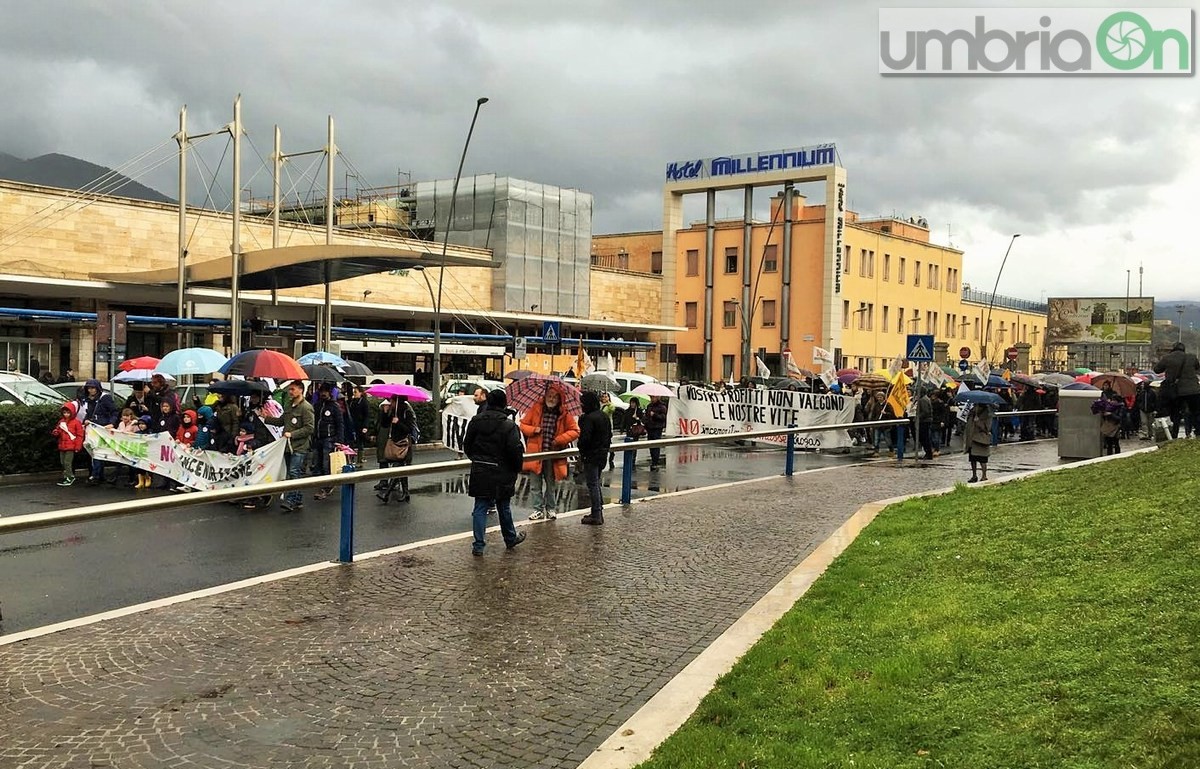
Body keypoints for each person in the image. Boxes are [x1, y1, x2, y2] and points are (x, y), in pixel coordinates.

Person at [463, 389, 527, 556]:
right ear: (503, 404)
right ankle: (510, 538)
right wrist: (516, 468)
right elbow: (514, 450)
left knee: (480, 507)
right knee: (503, 506)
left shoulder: (475, 421)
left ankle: (478, 545)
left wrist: (476, 459)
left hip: (480, 468)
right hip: (502, 470)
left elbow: (467, 445)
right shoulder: (508, 425)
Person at [519, 385, 579, 520]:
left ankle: (550, 508)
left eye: (555, 397)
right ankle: (538, 509)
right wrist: (534, 430)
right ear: (545, 396)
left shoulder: (564, 413)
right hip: (536, 454)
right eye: (549, 396)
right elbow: (523, 425)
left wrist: (559, 439)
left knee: (551, 485)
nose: (551, 399)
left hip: (552, 455)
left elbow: (575, 431)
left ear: (559, 399)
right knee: (535, 485)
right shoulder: (536, 408)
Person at [261, 380, 315, 513]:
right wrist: (267, 418)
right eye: (289, 389)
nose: (290, 392)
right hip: (287, 445)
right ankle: (298, 499)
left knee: (294, 472)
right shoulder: (289, 405)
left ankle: (291, 500)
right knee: (292, 473)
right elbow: (281, 421)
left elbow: (309, 428)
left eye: (293, 389)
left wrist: (293, 434)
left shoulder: (306, 408)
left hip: (299, 446)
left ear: (301, 390)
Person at [577, 391, 613, 525]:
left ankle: (597, 513)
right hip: (602, 454)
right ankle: (597, 510)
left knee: (592, 484)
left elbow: (584, 439)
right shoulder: (603, 416)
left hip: (591, 455)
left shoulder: (588, 418)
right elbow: (609, 435)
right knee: (596, 482)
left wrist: (582, 450)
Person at [1152, 342, 1200, 439]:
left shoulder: (1167, 358)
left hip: (1176, 391)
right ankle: (1198, 432)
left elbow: (1157, 370)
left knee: (1175, 413)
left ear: (1173, 349)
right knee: (1196, 412)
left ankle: (1173, 435)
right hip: (1193, 390)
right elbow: (1197, 368)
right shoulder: (1192, 357)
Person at [377, 395, 416, 504]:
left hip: (403, 443)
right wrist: (385, 413)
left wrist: (398, 422)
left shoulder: (406, 412)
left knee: (398, 468)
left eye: (392, 401)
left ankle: (387, 494)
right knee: (400, 469)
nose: (390, 403)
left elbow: (409, 428)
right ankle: (406, 492)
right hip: (394, 442)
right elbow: (384, 424)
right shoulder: (392, 411)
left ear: (397, 401)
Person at [78, 379, 117, 484]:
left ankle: (96, 475)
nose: (91, 390)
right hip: (93, 428)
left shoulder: (105, 398)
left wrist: (111, 423)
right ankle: (98, 474)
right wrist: (86, 420)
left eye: (93, 388)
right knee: (94, 451)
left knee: (98, 451)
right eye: (89, 388)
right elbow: (89, 413)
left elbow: (114, 412)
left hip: (102, 428)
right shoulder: (90, 400)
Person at [312, 383, 345, 501]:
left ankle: (326, 488)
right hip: (318, 438)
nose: (323, 393)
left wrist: (339, 441)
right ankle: (322, 485)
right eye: (321, 391)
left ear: (330, 392)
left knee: (327, 465)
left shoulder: (335, 406)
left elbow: (340, 424)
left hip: (329, 439)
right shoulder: (317, 405)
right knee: (317, 464)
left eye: (326, 391)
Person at [52, 401, 84, 486]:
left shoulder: (76, 422)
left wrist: (77, 446)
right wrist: (56, 432)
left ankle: (70, 476)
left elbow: (80, 435)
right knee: (63, 462)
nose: (66, 414)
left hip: (71, 446)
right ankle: (67, 476)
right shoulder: (61, 421)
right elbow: (58, 431)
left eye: (68, 413)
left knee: (67, 462)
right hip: (62, 445)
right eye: (64, 413)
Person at [963, 403, 993, 483]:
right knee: (973, 458)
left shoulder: (988, 413)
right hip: (972, 439)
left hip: (981, 439)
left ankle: (984, 476)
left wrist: (978, 422)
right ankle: (974, 475)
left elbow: (987, 428)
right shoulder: (972, 411)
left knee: (983, 459)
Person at [1092, 391, 1125, 455]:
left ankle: (1117, 455)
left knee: (1116, 442)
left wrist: (1110, 414)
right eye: (1112, 400)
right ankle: (1109, 455)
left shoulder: (1121, 407)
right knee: (1109, 443)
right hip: (1108, 426)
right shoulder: (1109, 406)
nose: (1112, 401)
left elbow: (1119, 418)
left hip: (1115, 426)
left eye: (1114, 400)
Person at [644, 394, 669, 469]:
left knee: (656, 444)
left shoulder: (662, 406)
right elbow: (647, 416)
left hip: (657, 427)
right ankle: (653, 459)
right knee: (650, 444)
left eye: (653, 397)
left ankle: (655, 461)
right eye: (651, 397)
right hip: (650, 427)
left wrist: (654, 415)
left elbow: (663, 417)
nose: (652, 399)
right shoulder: (649, 406)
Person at [348, 384, 370, 465]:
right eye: (354, 392)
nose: (354, 394)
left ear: (361, 393)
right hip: (352, 424)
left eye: (356, 392)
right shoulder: (352, 402)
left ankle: (360, 459)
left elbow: (367, 415)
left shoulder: (364, 402)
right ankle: (351, 459)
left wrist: (365, 426)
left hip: (360, 425)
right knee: (351, 442)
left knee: (359, 442)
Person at [600, 391, 618, 469]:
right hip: (600, 426)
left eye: (606, 396)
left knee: (608, 441)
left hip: (607, 426)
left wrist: (609, 403)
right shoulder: (600, 405)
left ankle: (611, 454)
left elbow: (613, 409)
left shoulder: (610, 405)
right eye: (603, 397)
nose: (604, 398)